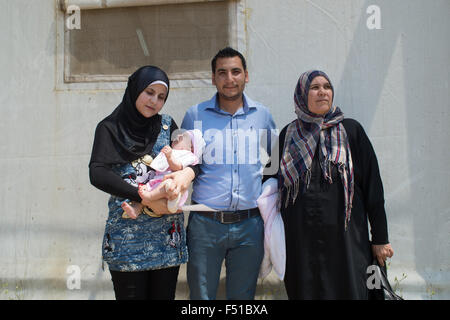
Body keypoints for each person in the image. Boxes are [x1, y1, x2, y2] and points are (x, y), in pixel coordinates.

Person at [274, 70, 394, 299]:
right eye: (314, 87)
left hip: (347, 240)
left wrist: (380, 238)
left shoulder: (352, 131)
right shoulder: (287, 135)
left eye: (327, 87)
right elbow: (268, 184)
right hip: (301, 242)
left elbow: (373, 188)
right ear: (302, 94)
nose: (322, 92)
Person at [88, 65, 196, 300]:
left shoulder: (168, 125)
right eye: (149, 92)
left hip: (166, 238)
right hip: (127, 241)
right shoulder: (109, 128)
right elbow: (97, 172)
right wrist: (143, 196)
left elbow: (190, 157)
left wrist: (188, 174)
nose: (154, 101)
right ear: (135, 89)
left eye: (161, 97)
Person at [181, 47, 277, 300]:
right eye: (222, 73)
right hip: (205, 225)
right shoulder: (195, 115)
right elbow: (183, 164)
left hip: (249, 226)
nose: (229, 78)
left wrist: (263, 192)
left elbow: (275, 161)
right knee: (201, 298)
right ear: (213, 78)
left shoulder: (262, 115)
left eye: (236, 72)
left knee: (243, 298)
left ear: (246, 75)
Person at [122, 129, 205, 218]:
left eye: (182, 138)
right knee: (143, 189)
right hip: (157, 182)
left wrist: (169, 157)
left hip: (171, 185)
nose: (178, 136)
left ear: (191, 147)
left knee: (165, 185)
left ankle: (150, 198)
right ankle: (135, 209)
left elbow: (177, 167)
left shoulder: (188, 156)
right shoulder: (173, 151)